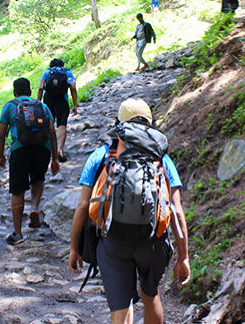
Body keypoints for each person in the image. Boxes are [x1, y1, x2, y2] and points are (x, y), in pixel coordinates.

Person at [68, 98, 190, 324]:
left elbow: (84, 205)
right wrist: (183, 257)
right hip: (153, 241)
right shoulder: (161, 158)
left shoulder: (102, 154)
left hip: (113, 242)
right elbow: (176, 210)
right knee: (151, 297)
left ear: (119, 123)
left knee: (121, 307)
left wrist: (75, 247)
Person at [0, 77, 60, 245]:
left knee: (17, 190)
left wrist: (1, 155)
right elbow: (52, 131)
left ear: (14, 92)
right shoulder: (42, 106)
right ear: (30, 91)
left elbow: (1, 133)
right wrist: (55, 158)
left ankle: (18, 234)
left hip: (20, 150)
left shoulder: (9, 106)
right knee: (38, 178)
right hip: (42, 149)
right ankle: (34, 207)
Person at [37, 58, 78, 163]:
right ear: (62, 65)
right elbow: (73, 87)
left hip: (48, 100)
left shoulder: (47, 72)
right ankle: (60, 149)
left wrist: (38, 103)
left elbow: (41, 87)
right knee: (62, 124)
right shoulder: (67, 72)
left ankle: (51, 150)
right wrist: (75, 105)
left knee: (50, 124)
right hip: (62, 100)